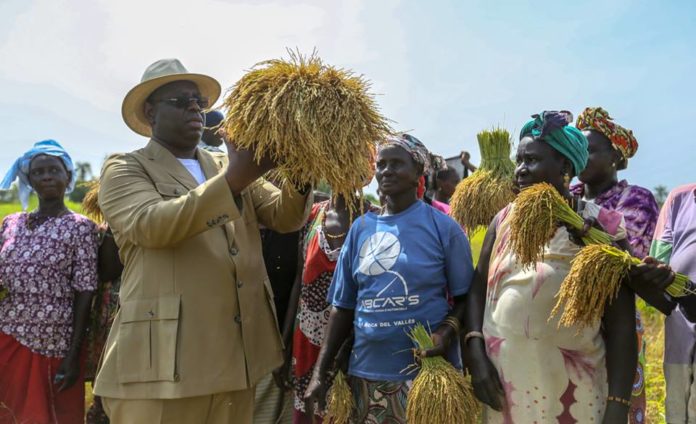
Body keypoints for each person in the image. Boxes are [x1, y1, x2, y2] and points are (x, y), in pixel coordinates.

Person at [93, 58, 312, 423]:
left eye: (199, 102)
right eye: (180, 101)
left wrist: (302, 172)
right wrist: (233, 180)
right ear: (150, 112)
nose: (194, 108)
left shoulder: (220, 164)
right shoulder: (125, 168)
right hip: (165, 363)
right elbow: (150, 226)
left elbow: (285, 216)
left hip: (236, 355)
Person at [465, 111, 636, 423]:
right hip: (505, 388)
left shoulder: (600, 227)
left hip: (575, 393)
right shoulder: (502, 220)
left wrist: (618, 405)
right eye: (519, 160)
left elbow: (623, 324)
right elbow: (477, 290)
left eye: (531, 160)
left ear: (565, 167)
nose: (520, 170)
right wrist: (475, 351)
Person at [303, 133, 475, 423]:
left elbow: (466, 297)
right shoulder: (361, 229)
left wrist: (445, 333)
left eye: (397, 164)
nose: (386, 171)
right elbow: (342, 306)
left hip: (425, 381)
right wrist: (320, 373)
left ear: (418, 172)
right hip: (365, 377)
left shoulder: (443, 227)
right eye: (381, 164)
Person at [570, 106, 659, 423]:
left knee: (613, 403)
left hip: (614, 320)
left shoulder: (636, 199)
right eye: (578, 150)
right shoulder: (566, 196)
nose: (582, 157)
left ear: (616, 157)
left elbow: (627, 263)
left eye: (591, 151)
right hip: (566, 318)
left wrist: (588, 228)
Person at [0, 140, 98, 423]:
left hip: (53, 344)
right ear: (29, 180)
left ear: (68, 177)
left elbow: (85, 291)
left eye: (54, 170)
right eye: (39, 172)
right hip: (8, 335)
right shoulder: (12, 223)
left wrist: (73, 355)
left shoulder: (80, 228)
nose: (46, 177)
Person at [281, 193, 378, 424]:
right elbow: (299, 279)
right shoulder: (312, 215)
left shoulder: (376, 219)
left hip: (354, 344)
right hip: (307, 343)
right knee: (310, 414)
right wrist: (285, 347)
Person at [650, 184, 696, 423]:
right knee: (677, 410)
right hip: (680, 328)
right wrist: (656, 273)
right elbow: (658, 258)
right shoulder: (679, 199)